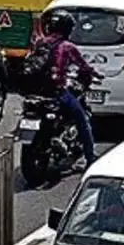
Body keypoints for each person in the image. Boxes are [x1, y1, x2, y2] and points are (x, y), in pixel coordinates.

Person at [32, 10, 101, 169]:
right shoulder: (67, 47)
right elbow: (83, 66)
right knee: (83, 120)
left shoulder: (40, 43)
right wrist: (94, 73)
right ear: (68, 29)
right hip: (57, 93)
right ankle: (90, 158)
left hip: (36, 93)